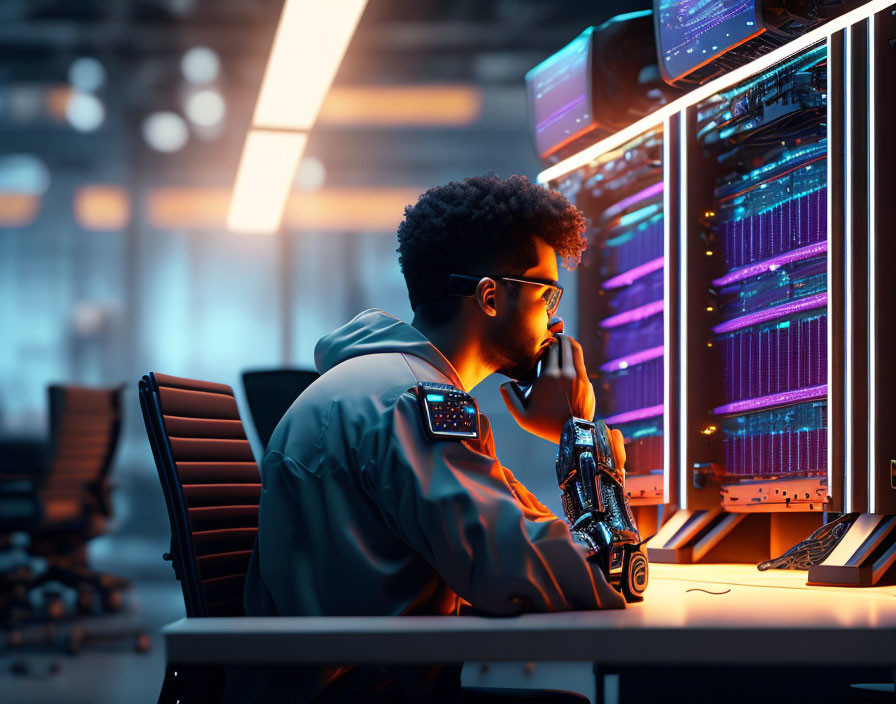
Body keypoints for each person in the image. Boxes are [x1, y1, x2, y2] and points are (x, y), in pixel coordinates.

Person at [234, 174, 627, 703]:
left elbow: (513, 537)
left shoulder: (391, 388)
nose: (554, 323)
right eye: (546, 294)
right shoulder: (415, 403)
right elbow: (580, 574)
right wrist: (581, 437)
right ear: (490, 297)